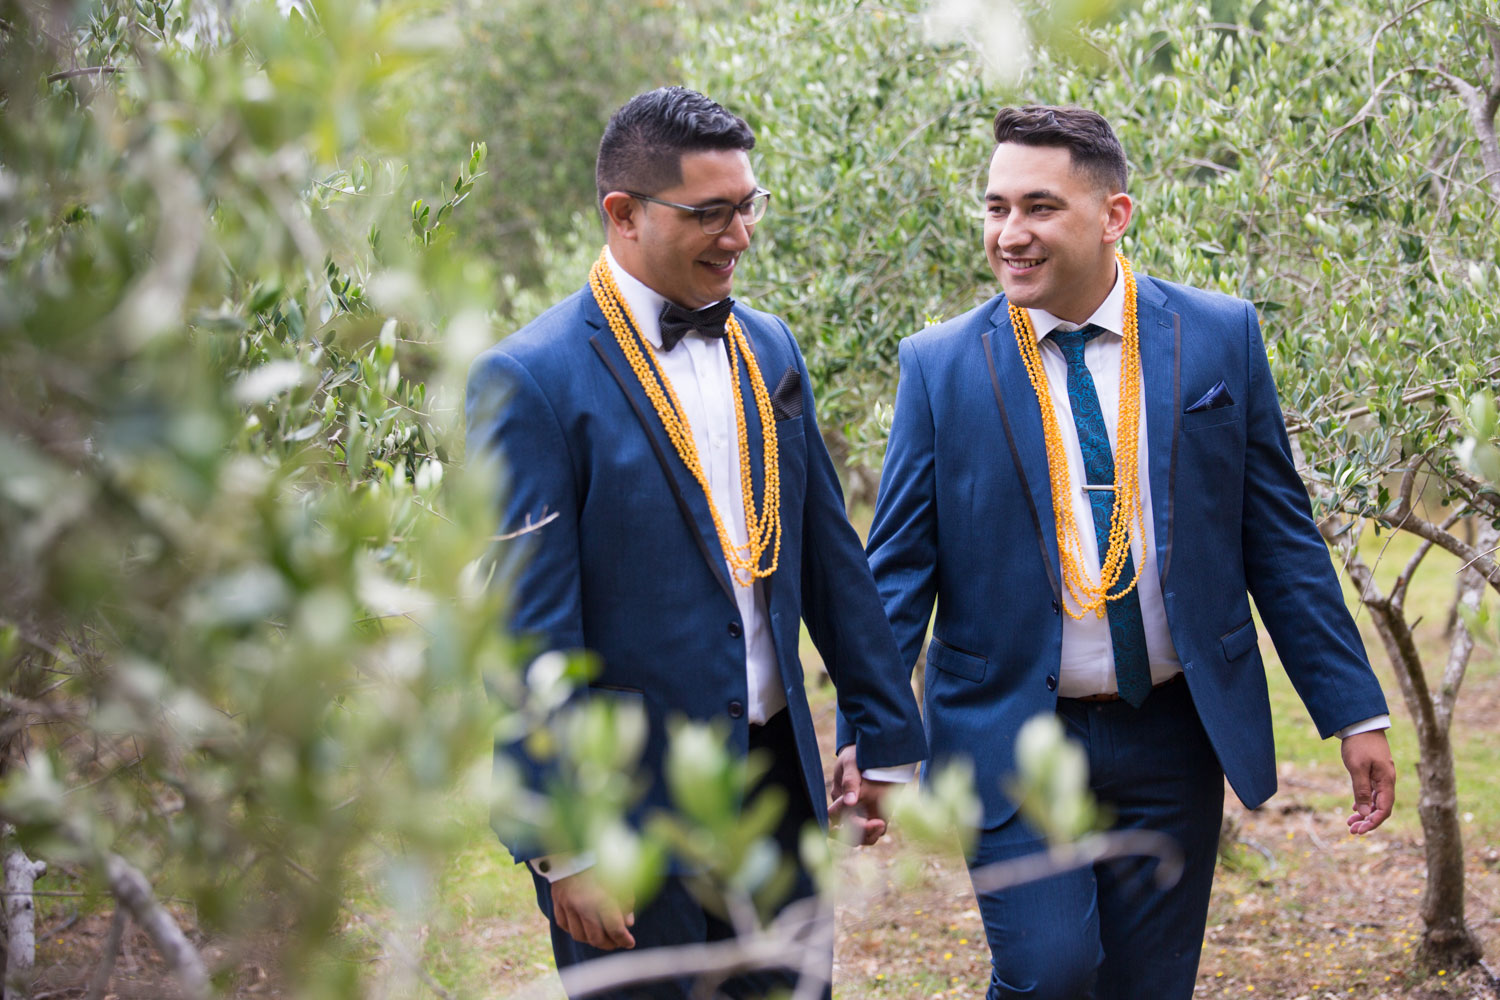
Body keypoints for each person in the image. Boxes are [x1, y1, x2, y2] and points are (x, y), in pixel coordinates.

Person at [857, 105, 1396, 999]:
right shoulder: (939, 366)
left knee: (1150, 986)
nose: (1010, 235)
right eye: (995, 208)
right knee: (1051, 972)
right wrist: (876, 744)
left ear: (1115, 216)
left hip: (1175, 734)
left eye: (1039, 207)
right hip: (1009, 734)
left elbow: (1281, 539)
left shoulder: (1219, 335)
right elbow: (898, 571)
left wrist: (1353, 711)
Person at [465, 86, 926, 999]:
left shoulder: (772, 345)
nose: (738, 235)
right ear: (623, 214)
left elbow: (829, 558)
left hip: (777, 789)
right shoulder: (529, 379)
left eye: (747, 205)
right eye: (709, 213)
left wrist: (884, 735)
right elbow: (526, 632)